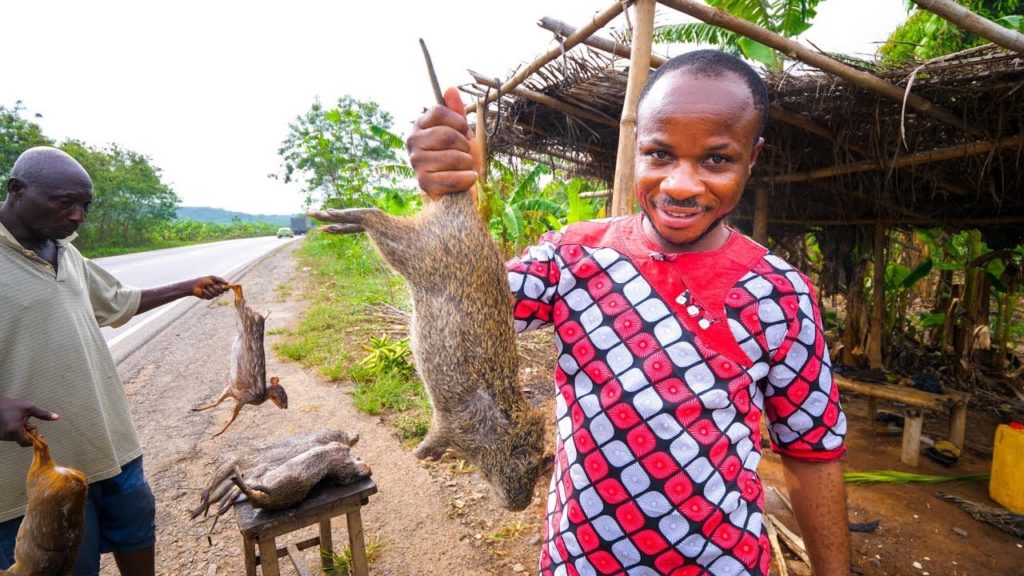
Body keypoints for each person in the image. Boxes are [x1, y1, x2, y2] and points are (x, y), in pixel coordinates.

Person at [407, 50, 850, 576]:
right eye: (660, 153)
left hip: (722, 565)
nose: (681, 185)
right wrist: (448, 197)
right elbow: (465, 304)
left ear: (752, 158)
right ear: (637, 145)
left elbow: (811, 452)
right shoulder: (571, 258)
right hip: (581, 562)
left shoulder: (781, 294)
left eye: (716, 159)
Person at [0, 146, 230, 575]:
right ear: (16, 190)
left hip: (112, 447)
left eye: (85, 205)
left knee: (137, 537)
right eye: (64, 202)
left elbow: (116, 301)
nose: (77, 216)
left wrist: (187, 287)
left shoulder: (66, 253)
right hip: (37, 480)